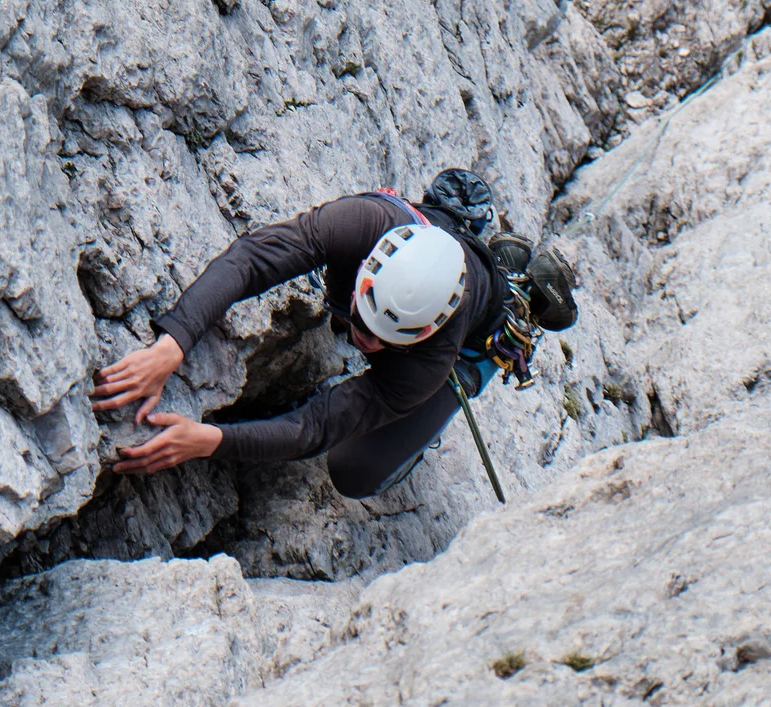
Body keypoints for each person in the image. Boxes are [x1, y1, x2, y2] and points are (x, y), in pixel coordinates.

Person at [90, 171, 506, 499]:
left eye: (384, 339)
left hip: (471, 346)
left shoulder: (430, 361)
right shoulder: (363, 222)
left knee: (355, 472)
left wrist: (210, 440)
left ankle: (472, 374)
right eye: (361, 319)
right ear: (367, 268)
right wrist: (172, 343)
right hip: (412, 252)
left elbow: (317, 426)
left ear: (425, 334)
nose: (365, 341)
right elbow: (252, 260)